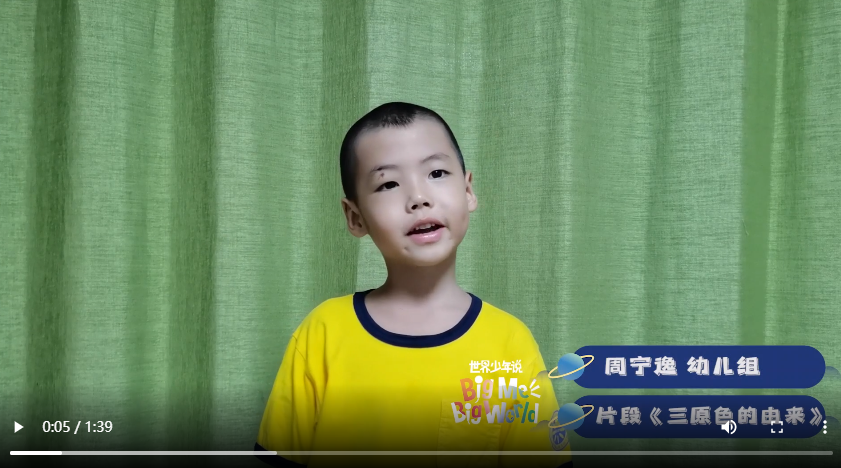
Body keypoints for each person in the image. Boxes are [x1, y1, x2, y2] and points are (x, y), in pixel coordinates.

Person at [255, 102, 572, 468]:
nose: (419, 198)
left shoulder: (509, 344)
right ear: (355, 217)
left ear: (468, 190)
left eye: (436, 172)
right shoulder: (322, 333)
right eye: (388, 183)